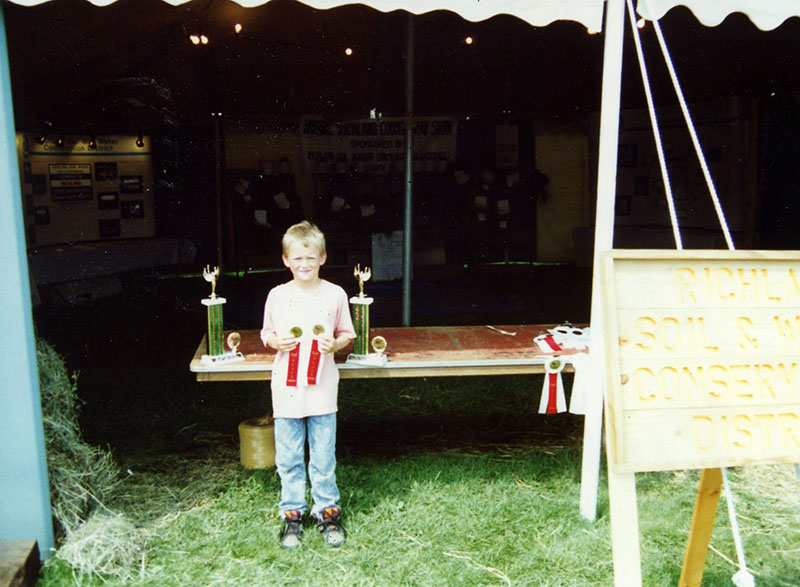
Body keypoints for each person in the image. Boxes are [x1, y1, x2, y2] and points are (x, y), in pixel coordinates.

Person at [260, 220, 356, 549]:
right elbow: (266, 333)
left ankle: (328, 514)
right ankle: (292, 515)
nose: (305, 264)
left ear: (323, 258)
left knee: (323, 455)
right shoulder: (276, 296)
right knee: (288, 456)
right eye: (298, 259)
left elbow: (347, 334)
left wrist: (335, 345)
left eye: (311, 258)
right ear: (286, 260)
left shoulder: (336, 294)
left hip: (323, 391)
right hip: (286, 393)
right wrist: (276, 343)